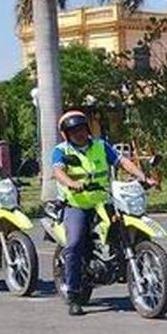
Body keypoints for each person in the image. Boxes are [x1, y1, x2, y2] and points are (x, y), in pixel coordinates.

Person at [51, 110, 155, 316]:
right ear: (66, 134)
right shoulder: (60, 150)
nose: (79, 134)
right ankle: (73, 293)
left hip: (104, 201)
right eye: (73, 131)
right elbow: (58, 172)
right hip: (76, 205)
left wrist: (142, 177)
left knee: (125, 227)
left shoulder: (100, 146)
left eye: (81, 129)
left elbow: (122, 162)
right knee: (75, 244)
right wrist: (71, 183)